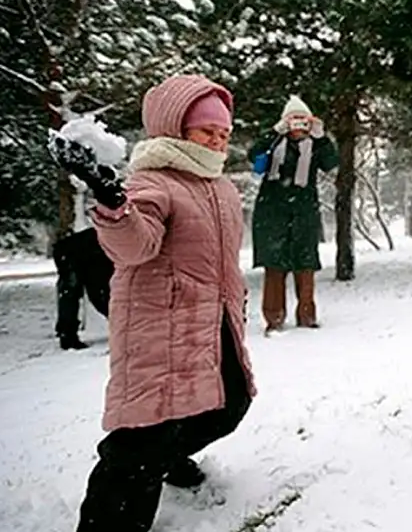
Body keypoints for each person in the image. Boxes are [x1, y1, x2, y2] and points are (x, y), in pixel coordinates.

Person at [52, 74, 257, 532]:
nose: (218, 141)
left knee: (229, 404)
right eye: (207, 131)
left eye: (224, 133)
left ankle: (167, 458)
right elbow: (133, 247)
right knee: (143, 441)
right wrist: (111, 201)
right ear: (174, 129)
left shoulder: (221, 187)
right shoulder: (154, 181)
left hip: (212, 322)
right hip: (160, 327)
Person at [248, 95, 338, 334]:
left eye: (303, 121)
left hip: (304, 213)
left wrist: (322, 137)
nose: (298, 127)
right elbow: (253, 156)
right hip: (272, 213)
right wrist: (273, 132)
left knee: (305, 265)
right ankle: (274, 319)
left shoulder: (315, 146)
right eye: (293, 121)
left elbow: (331, 163)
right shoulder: (274, 143)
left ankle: (307, 317)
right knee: (274, 267)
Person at [51, 226, 113, 350]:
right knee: (73, 293)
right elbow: (101, 294)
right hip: (76, 254)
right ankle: (67, 335)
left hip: (75, 252)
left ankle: (66, 332)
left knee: (70, 293)